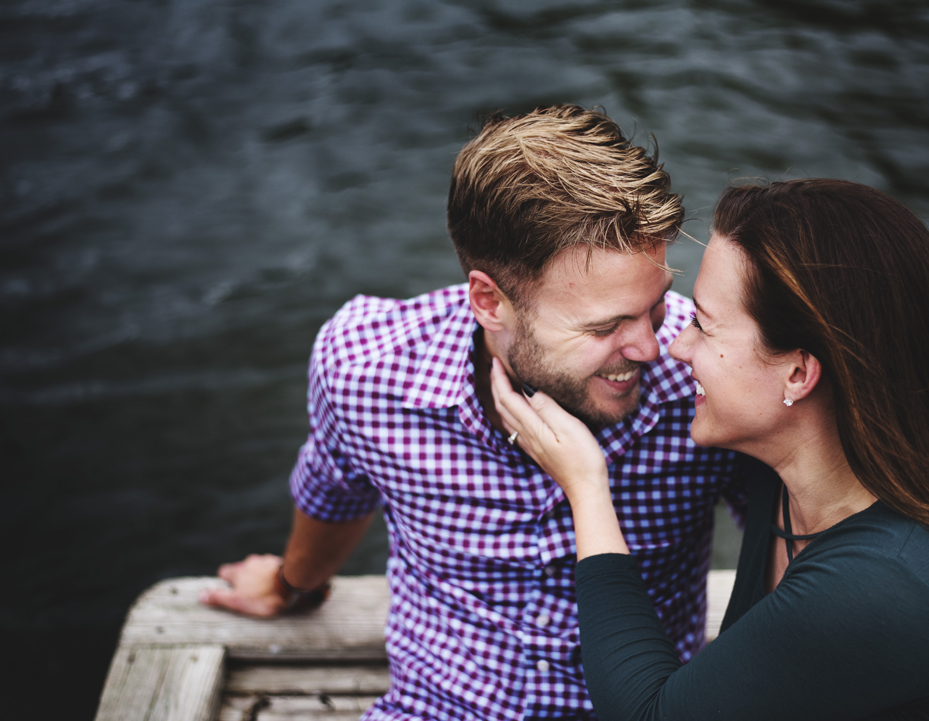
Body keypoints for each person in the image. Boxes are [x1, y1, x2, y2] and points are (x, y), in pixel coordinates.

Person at [199, 105, 748, 720]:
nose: (651, 347)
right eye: (605, 326)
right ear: (490, 301)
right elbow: (334, 493)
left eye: (653, 304)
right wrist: (291, 585)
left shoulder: (706, 380)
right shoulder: (364, 369)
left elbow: (794, 538)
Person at [491, 178, 929, 719]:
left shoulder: (884, 585)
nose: (676, 348)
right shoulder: (791, 465)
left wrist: (586, 489)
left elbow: (651, 714)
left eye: (705, 325)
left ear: (797, 374)